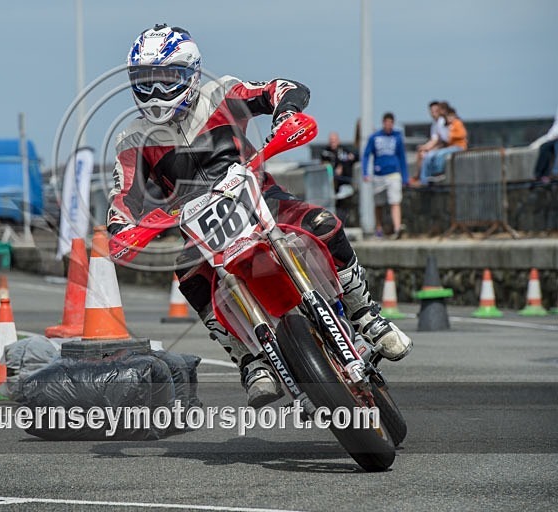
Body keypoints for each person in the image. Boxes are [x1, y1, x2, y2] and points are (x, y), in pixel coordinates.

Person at [107, 24, 412, 407]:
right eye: (145, 82)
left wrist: (285, 114)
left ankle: (365, 313)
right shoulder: (132, 139)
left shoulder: (221, 93)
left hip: (260, 195)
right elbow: (124, 194)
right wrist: (121, 227)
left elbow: (282, 88)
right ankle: (249, 359)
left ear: (191, 73)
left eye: (166, 78)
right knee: (189, 276)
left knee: (322, 224)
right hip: (200, 227)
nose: (155, 92)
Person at [361, 112, 408, 239]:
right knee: (379, 204)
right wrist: (365, 172)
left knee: (395, 201)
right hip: (379, 174)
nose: (389, 125)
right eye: (387, 123)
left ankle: (397, 228)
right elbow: (366, 155)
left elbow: (402, 157)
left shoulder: (397, 137)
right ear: (383, 123)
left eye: (391, 123)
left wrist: (405, 177)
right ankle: (379, 228)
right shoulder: (374, 137)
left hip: (394, 174)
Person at [419, 106, 468, 183]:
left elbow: (463, 134)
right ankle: (428, 177)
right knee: (432, 155)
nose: (448, 118)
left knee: (440, 154)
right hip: (451, 146)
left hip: (459, 146)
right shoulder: (446, 125)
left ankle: (439, 173)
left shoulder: (457, 123)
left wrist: (451, 135)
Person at [319, 132, 357, 222]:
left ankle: (342, 222)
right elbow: (323, 164)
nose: (333, 143)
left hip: (344, 183)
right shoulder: (325, 152)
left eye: (334, 141)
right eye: (331, 141)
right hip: (330, 184)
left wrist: (342, 166)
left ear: (338, 141)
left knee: (343, 204)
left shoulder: (344, 151)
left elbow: (353, 157)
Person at [413, 101, 448, 185]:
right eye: (432, 111)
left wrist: (426, 147)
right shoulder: (434, 124)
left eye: (435, 111)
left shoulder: (442, 121)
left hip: (444, 146)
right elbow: (434, 139)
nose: (433, 113)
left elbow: (442, 139)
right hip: (438, 146)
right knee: (422, 152)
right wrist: (424, 147)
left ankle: (423, 180)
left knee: (426, 155)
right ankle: (420, 177)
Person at [530, 104, 558, 182]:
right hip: (554, 137)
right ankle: (540, 174)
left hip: (555, 138)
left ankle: (551, 174)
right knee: (544, 148)